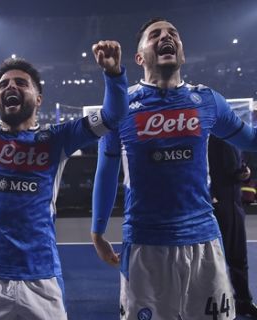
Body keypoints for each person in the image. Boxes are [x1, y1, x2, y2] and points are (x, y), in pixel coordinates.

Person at [0, 20, 129, 320]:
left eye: (20, 83)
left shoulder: (58, 139)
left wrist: (113, 73)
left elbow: (114, 114)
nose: (10, 87)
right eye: (3, 84)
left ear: (38, 99)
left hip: (41, 278)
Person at [91, 17, 257, 320]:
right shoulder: (121, 106)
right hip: (144, 243)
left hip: (204, 241)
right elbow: (106, 169)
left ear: (181, 53)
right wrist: (98, 231)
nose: (166, 37)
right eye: (155, 35)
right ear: (140, 57)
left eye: (173, 34)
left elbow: (251, 140)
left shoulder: (208, 101)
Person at [208, 135, 257, 318]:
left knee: (238, 256)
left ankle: (243, 300)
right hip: (215, 204)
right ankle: (214, 302)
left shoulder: (234, 139)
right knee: (212, 259)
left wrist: (246, 173)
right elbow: (200, 168)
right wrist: (210, 194)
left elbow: (240, 167)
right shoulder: (207, 137)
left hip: (233, 202)